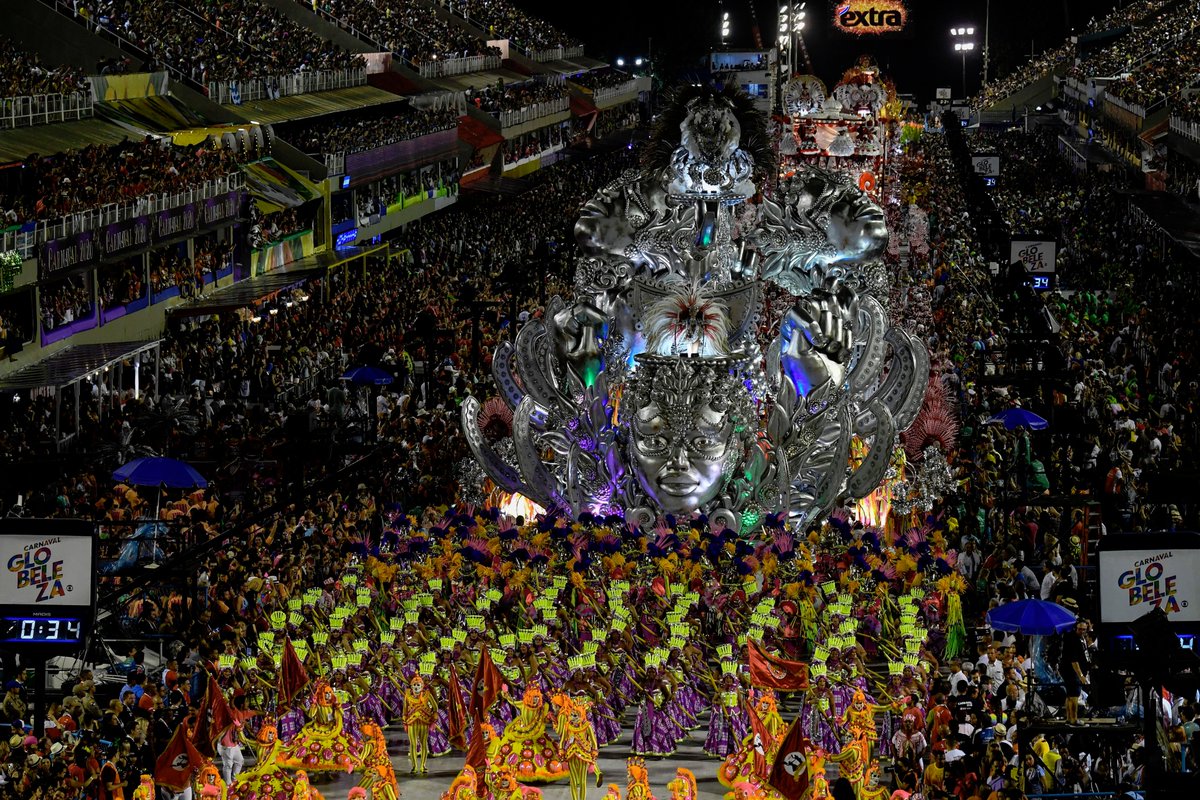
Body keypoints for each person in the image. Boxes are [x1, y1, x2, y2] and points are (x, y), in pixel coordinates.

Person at [1059, 618, 1089, 725]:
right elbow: (1074, 660)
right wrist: (1080, 675)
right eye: (1080, 629)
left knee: (1070, 695)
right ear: (1075, 628)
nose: (1082, 631)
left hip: (1069, 671)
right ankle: (1074, 719)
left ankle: (1069, 718)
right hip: (1072, 671)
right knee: (1074, 696)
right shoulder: (1073, 639)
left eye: (1084, 629)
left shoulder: (1077, 638)